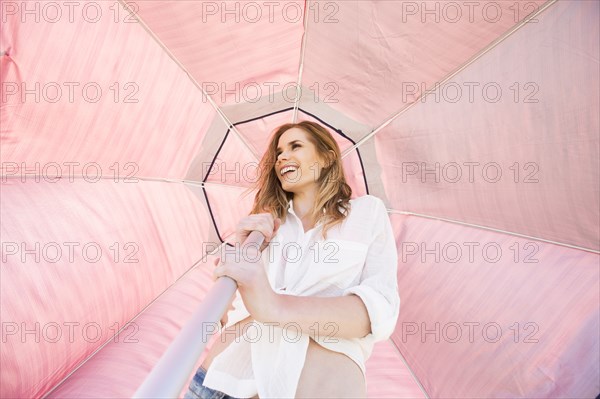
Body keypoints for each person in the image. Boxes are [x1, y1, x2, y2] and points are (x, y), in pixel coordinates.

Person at [184, 120, 400, 398]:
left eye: (295, 146)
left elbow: (376, 312)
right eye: (278, 153)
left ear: (326, 157)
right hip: (225, 382)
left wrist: (274, 307)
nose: (282, 157)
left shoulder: (366, 212)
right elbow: (222, 318)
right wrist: (241, 252)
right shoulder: (265, 228)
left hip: (319, 387)